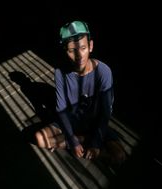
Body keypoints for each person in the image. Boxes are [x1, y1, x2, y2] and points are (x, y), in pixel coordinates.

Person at [34, 20, 126, 166]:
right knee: (39, 138)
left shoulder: (103, 72)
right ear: (65, 51)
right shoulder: (60, 72)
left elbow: (105, 113)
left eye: (83, 48)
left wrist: (96, 143)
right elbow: (62, 110)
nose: (79, 55)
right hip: (72, 120)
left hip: (94, 122)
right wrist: (72, 139)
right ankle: (81, 139)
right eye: (71, 50)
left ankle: (84, 139)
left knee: (119, 155)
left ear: (90, 46)